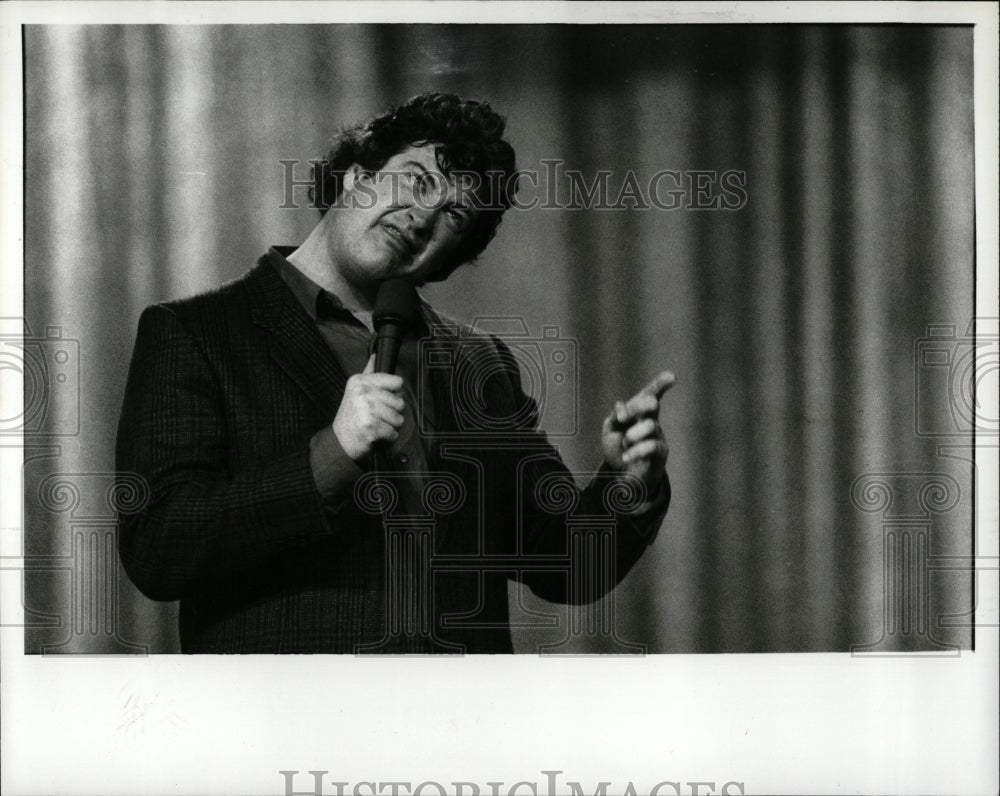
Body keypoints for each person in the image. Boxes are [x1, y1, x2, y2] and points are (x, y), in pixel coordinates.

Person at [116, 92, 673, 654]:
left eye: (454, 214)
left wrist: (626, 483)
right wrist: (332, 453)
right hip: (288, 722)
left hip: (461, 726)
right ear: (355, 176)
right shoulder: (196, 332)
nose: (422, 217)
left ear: (453, 256)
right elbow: (159, 549)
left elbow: (561, 566)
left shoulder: (479, 362)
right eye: (416, 180)